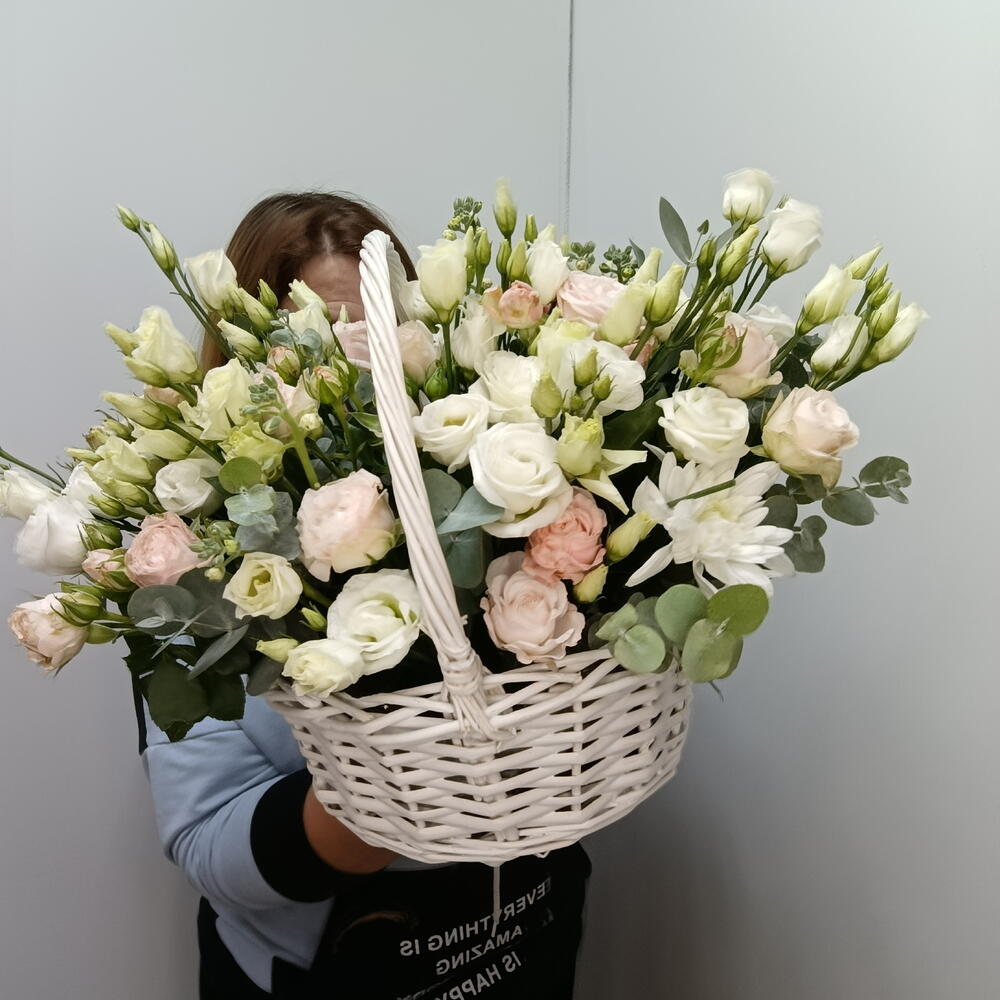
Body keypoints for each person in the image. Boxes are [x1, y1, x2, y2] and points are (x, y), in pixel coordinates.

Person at [137, 191, 593, 999]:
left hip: (516, 934)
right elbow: (207, 842)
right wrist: (400, 791)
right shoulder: (186, 563)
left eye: (370, 333)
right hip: (321, 963)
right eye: (313, 340)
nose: (351, 368)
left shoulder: (491, 490)